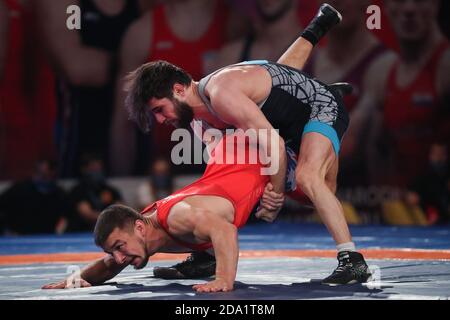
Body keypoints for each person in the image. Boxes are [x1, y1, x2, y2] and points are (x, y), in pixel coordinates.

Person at [123, 3, 371, 285]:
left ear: (179, 90)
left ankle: (352, 261)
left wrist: (274, 196)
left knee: (310, 178)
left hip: (318, 107)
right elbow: (224, 183)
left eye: (159, 109)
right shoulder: (198, 121)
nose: (160, 120)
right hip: (283, 108)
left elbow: (274, 146)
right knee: (230, 171)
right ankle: (208, 256)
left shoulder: (221, 94)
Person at [42, 129, 371, 292]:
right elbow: (107, 265)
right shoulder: (140, 232)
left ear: (138, 228)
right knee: (261, 88)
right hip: (226, 164)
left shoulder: (175, 217)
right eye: (115, 251)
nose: (119, 258)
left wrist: (224, 279)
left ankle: (325, 110)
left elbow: (226, 230)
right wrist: (74, 280)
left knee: (323, 191)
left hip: (257, 161)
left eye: (118, 248)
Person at [364, 0, 450, 188]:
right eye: (400, 0)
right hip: (401, 210)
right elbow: (374, 150)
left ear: (437, 4)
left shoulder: (445, 67)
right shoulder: (381, 72)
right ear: (386, 6)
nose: (409, 9)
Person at [0, 160, 69, 235]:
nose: (47, 179)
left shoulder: (59, 194)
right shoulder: (19, 189)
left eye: (50, 176)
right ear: (35, 172)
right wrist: (7, 231)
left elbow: (66, 215)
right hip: (18, 237)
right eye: (43, 175)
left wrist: (60, 229)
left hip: (48, 238)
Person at [66, 154, 123, 232]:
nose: (97, 169)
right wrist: (111, 217)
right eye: (93, 167)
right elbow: (87, 214)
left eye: (99, 166)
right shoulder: (78, 191)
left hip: (108, 233)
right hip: (82, 232)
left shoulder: (111, 190)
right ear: (84, 169)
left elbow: (121, 211)